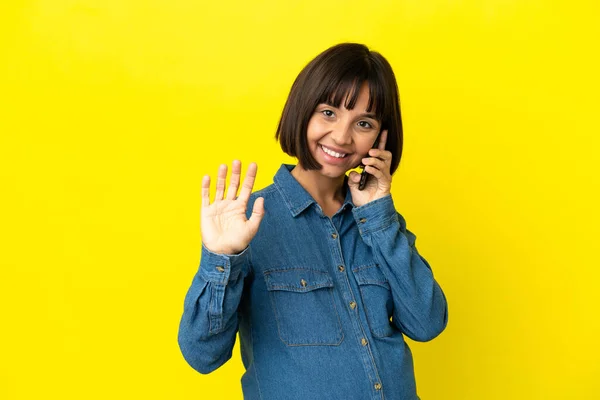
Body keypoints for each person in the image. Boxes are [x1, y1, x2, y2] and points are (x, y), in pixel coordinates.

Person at [178, 42, 448, 400]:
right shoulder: (247, 222)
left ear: (381, 138)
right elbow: (202, 355)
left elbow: (427, 323)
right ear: (302, 111)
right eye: (329, 113)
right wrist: (221, 259)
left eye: (363, 123)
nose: (341, 137)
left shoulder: (379, 221)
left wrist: (379, 216)